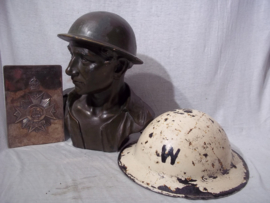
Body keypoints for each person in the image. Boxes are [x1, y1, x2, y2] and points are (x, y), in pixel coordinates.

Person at [58, 11, 154, 152]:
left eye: (85, 59)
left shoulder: (140, 118)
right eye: (72, 55)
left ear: (118, 68)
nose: (69, 70)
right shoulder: (63, 103)